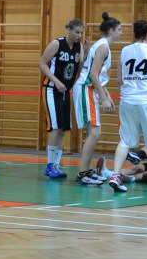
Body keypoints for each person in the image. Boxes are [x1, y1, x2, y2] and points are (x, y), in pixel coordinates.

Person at [106, 20, 147, 193]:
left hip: (127, 100)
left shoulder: (124, 51)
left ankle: (115, 175)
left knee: (125, 140)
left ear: (135, 34)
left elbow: (119, 80)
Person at [73, 12, 122, 186]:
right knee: (95, 133)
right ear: (111, 31)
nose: (121, 33)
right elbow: (93, 74)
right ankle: (83, 173)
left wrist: (107, 94)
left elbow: (98, 75)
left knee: (92, 133)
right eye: (119, 29)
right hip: (86, 88)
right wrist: (103, 98)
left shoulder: (103, 46)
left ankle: (87, 170)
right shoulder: (103, 47)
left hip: (90, 89)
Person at [39, 19, 88, 179]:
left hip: (66, 91)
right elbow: (42, 63)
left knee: (62, 129)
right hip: (51, 89)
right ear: (69, 30)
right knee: (55, 127)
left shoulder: (79, 46)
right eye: (77, 32)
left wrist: (85, 53)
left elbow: (79, 68)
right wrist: (56, 81)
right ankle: (50, 165)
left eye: (81, 33)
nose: (79, 35)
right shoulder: (57, 44)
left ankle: (56, 165)